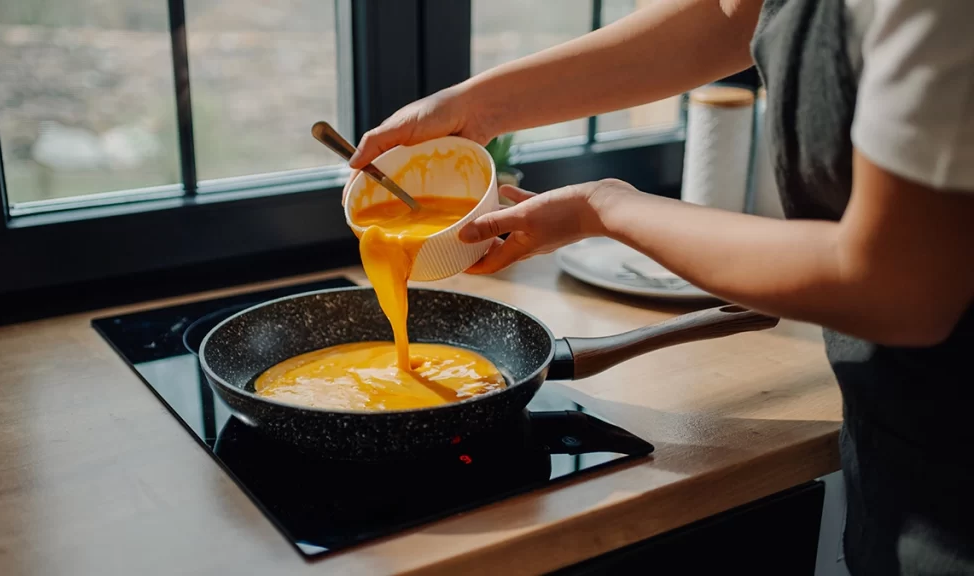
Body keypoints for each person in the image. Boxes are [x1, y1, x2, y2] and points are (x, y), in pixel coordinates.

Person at [343, 0, 974, 574]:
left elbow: (896, 288)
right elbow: (730, 15)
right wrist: (476, 106)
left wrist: (606, 208)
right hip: (897, 429)